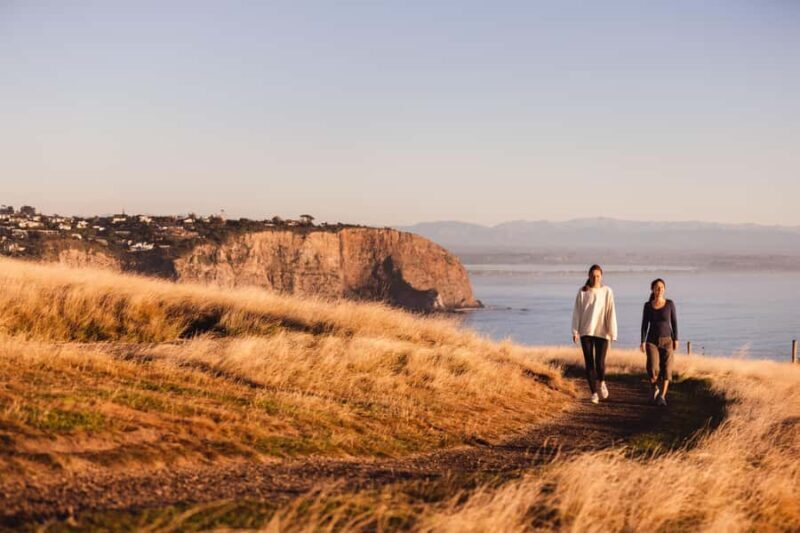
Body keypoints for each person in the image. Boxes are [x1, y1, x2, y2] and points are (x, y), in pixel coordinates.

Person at [572, 264, 618, 404]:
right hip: (586, 332)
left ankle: (602, 382)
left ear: (601, 276)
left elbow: (611, 312)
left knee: (600, 362)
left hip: (602, 332)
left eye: (598, 276)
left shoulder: (607, 291)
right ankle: (594, 393)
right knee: (589, 363)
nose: (595, 278)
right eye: (593, 275)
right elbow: (577, 312)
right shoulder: (582, 292)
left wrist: (612, 332)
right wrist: (575, 331)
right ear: (589, 276)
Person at [640, 278, 678, 407]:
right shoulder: (648, 305)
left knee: (667, 369)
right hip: (652, 341)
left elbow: (674, 322)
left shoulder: (670, 304)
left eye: (662, 287)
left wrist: (676, 339)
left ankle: (662, 396)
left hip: (668, 340)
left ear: (664, 289)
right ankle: (654, 387)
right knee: (653, 367)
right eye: (657, 288)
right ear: (653, 290)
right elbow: (644, 325)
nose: (659, 290)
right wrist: (642, 341)